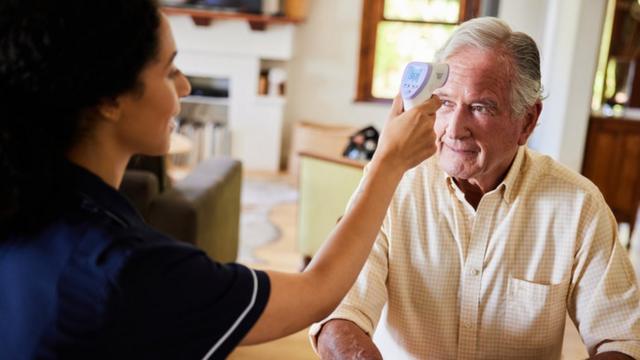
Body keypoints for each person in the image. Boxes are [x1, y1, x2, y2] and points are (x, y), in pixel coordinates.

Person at [0, 0, 442, 358]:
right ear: (110, 98)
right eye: (169, 69)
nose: (186, 86)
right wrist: (388, 162)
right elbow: (317, 291)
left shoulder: (31, 203)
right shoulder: (132, 270)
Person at [312, 17, 640, 360]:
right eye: (445, 103)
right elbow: (338, 313)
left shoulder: (578, 206)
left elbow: (621, 340)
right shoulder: (395, 184)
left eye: (480, 107)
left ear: (526, 121)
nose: (454, 129)